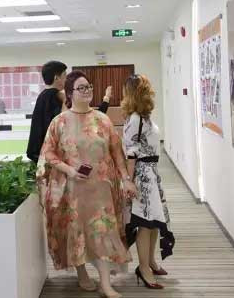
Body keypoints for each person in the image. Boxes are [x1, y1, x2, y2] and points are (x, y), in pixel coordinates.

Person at [37, 70, 137, 298]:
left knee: (103, 233)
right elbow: (48, 154)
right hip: (73, 191)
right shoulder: (59, 122)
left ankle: (105, 284)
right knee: (77, 233)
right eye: (81, 88)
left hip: (101, 190)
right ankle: (82, 273)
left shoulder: (102, 120)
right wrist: (69, 170)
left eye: (89, 87)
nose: (87, 91)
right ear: (70, 93)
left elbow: (117, 153)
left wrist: (125, 179)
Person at [122, 74, 174, 290]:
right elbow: (131, 153)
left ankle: (151, 261)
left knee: (154, 223)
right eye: (146, 88)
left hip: (151, 174)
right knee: (145, 224)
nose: (150, 91)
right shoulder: (135, 119)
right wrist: (129, 181)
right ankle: (143, 268)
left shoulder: (144, 117)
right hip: (143, 176)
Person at [26, 61, 67, 163]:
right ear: (56, 78)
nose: (66, 79)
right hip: (49, 154)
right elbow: (60, 123)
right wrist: (65, 100)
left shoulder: (43, 96)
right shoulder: (55, 96)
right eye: (64, 76)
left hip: (40, 151)